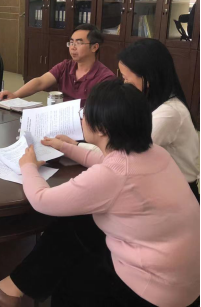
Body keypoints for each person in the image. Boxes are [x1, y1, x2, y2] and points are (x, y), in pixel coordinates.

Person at [0, 80, 200, 307]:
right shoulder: (155, 152)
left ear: (103, 128)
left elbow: (41, 200)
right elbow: (106, 160)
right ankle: (10, 290)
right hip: (185, 276)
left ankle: (14, 291)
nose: (81, 120)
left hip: (155, 290)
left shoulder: (111, 175)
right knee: (76, 223)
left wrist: (28, 166)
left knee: (69, 277)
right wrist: (67, 147)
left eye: (84, 115)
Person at [55, 39, 201, 201]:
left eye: (126, 78)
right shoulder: (148, 101)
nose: (124, 83)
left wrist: (76, 146)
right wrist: (76, 145)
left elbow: (123, 155)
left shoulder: (169, 113)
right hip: (155, 183)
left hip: (176, 193)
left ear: (148, 78)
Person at [0, 24, 115, 106]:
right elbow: (40, 82)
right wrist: (15, 95)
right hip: (60, 118)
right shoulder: (65, 66)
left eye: (78, 43)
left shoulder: (105, 78)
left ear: (94, 47)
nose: (73, 47)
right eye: (71, 42)